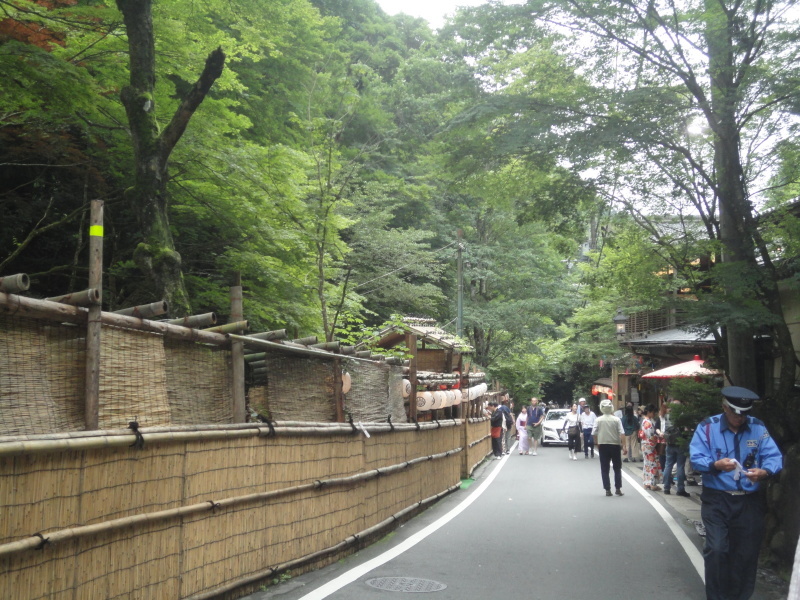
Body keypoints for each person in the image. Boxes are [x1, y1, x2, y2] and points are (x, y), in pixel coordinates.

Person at [689, 386, 783, 600]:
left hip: (749, 501)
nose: (740, 418)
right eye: (735, 413)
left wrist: (765, 471)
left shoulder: (758, 428)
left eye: (744, 414)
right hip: (717, 499)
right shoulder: (707, 427)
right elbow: (696, 458)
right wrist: (715, 465)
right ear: (724, 408)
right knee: (717, 549)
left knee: (746, 554)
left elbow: (773, 456)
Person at [592, 398, 626, 496]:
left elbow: (594, 432)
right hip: (615, 445)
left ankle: (607, 489)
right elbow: (622, 433)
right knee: (617, 468)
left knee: (604, 468)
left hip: (603, 445)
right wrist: (624, 445)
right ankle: (618, 489)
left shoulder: (598, 420)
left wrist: (597, 442)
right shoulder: (616, 419)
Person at [662, 399, 690, 497]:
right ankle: (680, 489)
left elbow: (665, 430)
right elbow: (687, 429)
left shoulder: (667, 416)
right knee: (680, 466)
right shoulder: (683, 417)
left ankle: (666, 487)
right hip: (680, 444)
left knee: (668, 465)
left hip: (670, 443)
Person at [640, 404, 662, 491]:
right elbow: (651, 435)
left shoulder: (644, 421)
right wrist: (659, 438)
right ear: (649, 412)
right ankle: (653, 484)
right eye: (653, 412)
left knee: (647, 464)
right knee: (653, 464)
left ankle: (646, 483)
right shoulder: (649, 422)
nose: (654, 414)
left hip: (645, 445)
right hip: (650, 445)